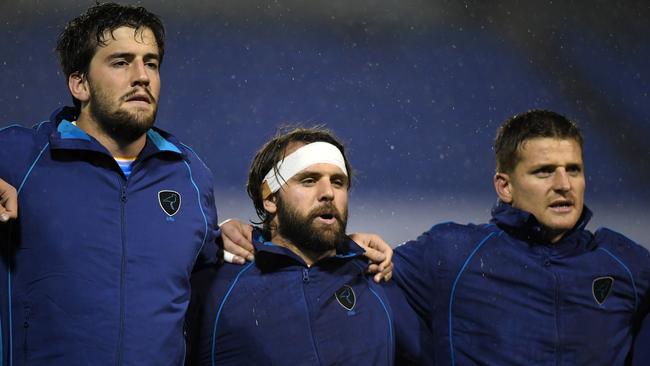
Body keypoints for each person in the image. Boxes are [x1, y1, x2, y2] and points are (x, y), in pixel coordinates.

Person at [222, 110, 650, 365]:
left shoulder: (626, 264)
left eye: (573, 170)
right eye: (543, 171)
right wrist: (232, 234)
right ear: (504, 185)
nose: (563, 184)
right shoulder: (451, 255)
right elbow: (320, 259)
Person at [0, 3, 219, 364]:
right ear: (80, 83)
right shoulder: (18, 157)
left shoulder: (190, 174)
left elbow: (211, 281)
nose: (142, 76)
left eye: (150, 63)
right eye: (121, 62)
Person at [186, 127, 432, 366]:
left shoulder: (379, 279)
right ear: (271, 198)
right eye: (309, 180)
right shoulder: (214, 285)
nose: (328, 193)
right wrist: (215, 237)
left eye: (338, 182)